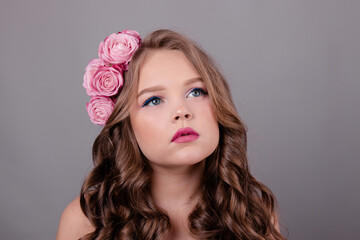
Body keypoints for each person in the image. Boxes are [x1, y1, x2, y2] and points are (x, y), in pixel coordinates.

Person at [57, 29, 285, 240]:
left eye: (196, 92)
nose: (182, 112)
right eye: (153, 100)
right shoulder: (87, 220)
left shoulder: (254, 216)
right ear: (126, 125)